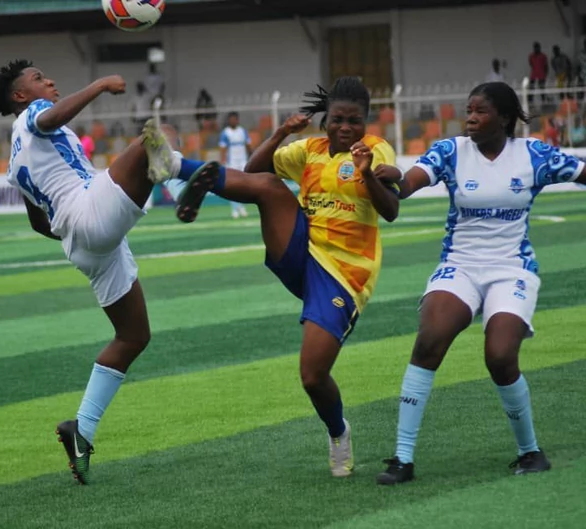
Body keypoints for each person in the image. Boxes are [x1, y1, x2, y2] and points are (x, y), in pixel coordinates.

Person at [158, 77, 401, 477]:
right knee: (269, 186)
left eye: (354, 121)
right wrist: (281, 133)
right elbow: (252, 172)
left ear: (366, 121)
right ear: (325, 120)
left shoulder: (376, 149)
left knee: (313, 375)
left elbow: (390, 210)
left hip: (344, 273)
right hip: (301, 249)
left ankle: (338, 431)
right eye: (338, 119)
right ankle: (174, 166)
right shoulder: (309, 149)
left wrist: (368, 173)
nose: (345, 128)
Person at [0, 59, 198, 485]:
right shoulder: (33, 115)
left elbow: (37, 222)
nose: (49, 80)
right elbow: (51, 117)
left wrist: (77, 233)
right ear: (20, 96)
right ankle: (186, 187)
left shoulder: (14, 159)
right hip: (87, 212)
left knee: (133, 336)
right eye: (38, 78)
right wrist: (100, 84)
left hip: (82, 243)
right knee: (155, 136)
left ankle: (81, 430)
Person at [374, 82, 586, 485]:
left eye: (480, 111)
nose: (469, 118)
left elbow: (582, 172)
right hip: (461, 266)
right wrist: (392, 177)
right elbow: (409, 183)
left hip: (512, 269)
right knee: (430, 340)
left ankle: (530, 451)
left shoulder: (533, 154)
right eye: (468, 110)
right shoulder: (452, 151)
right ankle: (402, 459)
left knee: (500, 356)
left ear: (504, 118)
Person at [219, 111, 251, 219]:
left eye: (234, 119)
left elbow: (248, 145)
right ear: (229, 121)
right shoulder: (225, 132)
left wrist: (251, 156)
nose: (233, 121)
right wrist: (223, 161)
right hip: (232, 162)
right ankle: (234, 208)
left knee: (243, 185)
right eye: (231, 119)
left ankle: (242, 207)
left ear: (237, 120)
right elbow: (223, 148)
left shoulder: (242, 131)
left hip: (242, 161)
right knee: (232, 185)